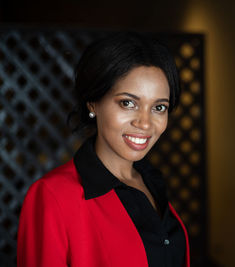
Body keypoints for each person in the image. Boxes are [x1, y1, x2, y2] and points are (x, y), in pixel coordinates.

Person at [17, 32, 190, 267]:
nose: (145, 123)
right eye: (128, 103)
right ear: (93, 103)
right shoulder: (52, 196)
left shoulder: (150, 181)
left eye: (159, 107)